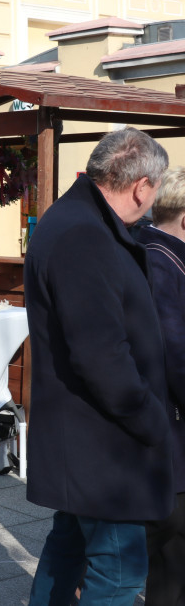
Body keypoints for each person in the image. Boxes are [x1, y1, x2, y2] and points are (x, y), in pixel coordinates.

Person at [25, 127, 174, 605]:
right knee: (118, 573)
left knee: (67, 549)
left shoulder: (77, 219)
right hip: (103, 445)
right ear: (141, 187)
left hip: (87, 440)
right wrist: (152, 418)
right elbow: (100, 354)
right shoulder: (84, 233)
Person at [134, 166, 185, 606]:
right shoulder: (163, 262)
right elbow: (176, 353)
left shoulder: (146, 249)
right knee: (170, 550)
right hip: (168, 424)